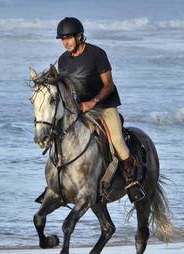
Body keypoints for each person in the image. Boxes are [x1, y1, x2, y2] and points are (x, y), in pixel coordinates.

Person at [55, 17, 145, 203]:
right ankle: (55, 184)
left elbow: (109, 86)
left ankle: (132, 182)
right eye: (63, 39)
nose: (66, 43)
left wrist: (92, 102)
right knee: (60, 137)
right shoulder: (63, 61)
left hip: (104, 106)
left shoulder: (97, 54)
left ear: (79, 37)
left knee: (118, 141)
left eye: (69, 38)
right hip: (80, 108)